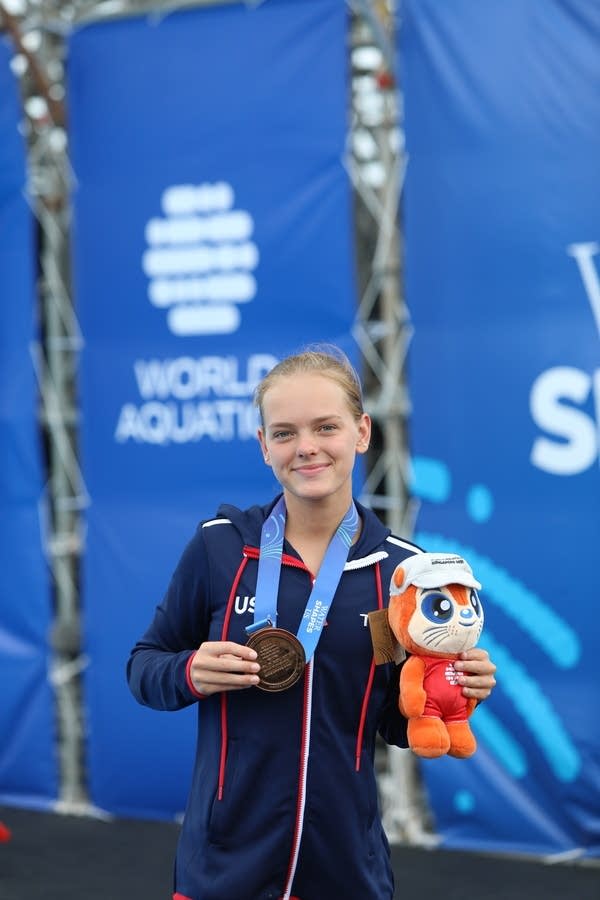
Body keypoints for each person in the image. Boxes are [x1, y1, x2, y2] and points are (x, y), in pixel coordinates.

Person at [127, 345, 496, 900]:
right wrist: (189, 672)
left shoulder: (403, 571)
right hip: (224, 864)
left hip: (344, 865)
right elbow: (143, 668)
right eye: (284, 433)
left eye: (326, 427)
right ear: (263, 446)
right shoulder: (220, 547)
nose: (306, 448)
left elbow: (394, 724)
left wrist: (456, 693)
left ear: (362, 432)